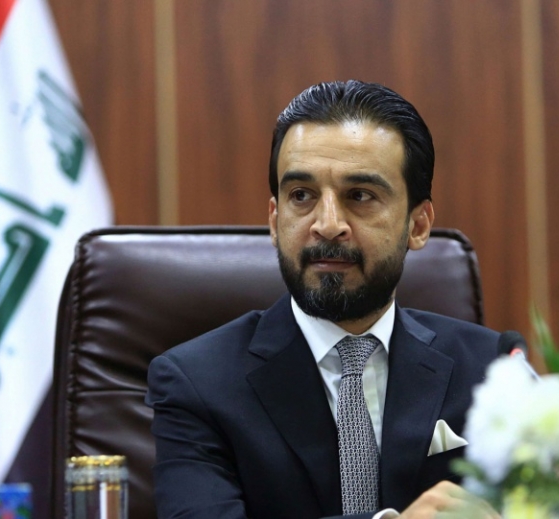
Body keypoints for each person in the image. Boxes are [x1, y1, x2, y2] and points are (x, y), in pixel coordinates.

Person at [146, 80, 502, 519]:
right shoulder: (196, 384)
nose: (328, 224)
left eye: (360, 196)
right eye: (301, 196)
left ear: (418, 225)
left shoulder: (492, 369)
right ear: (275, 219)